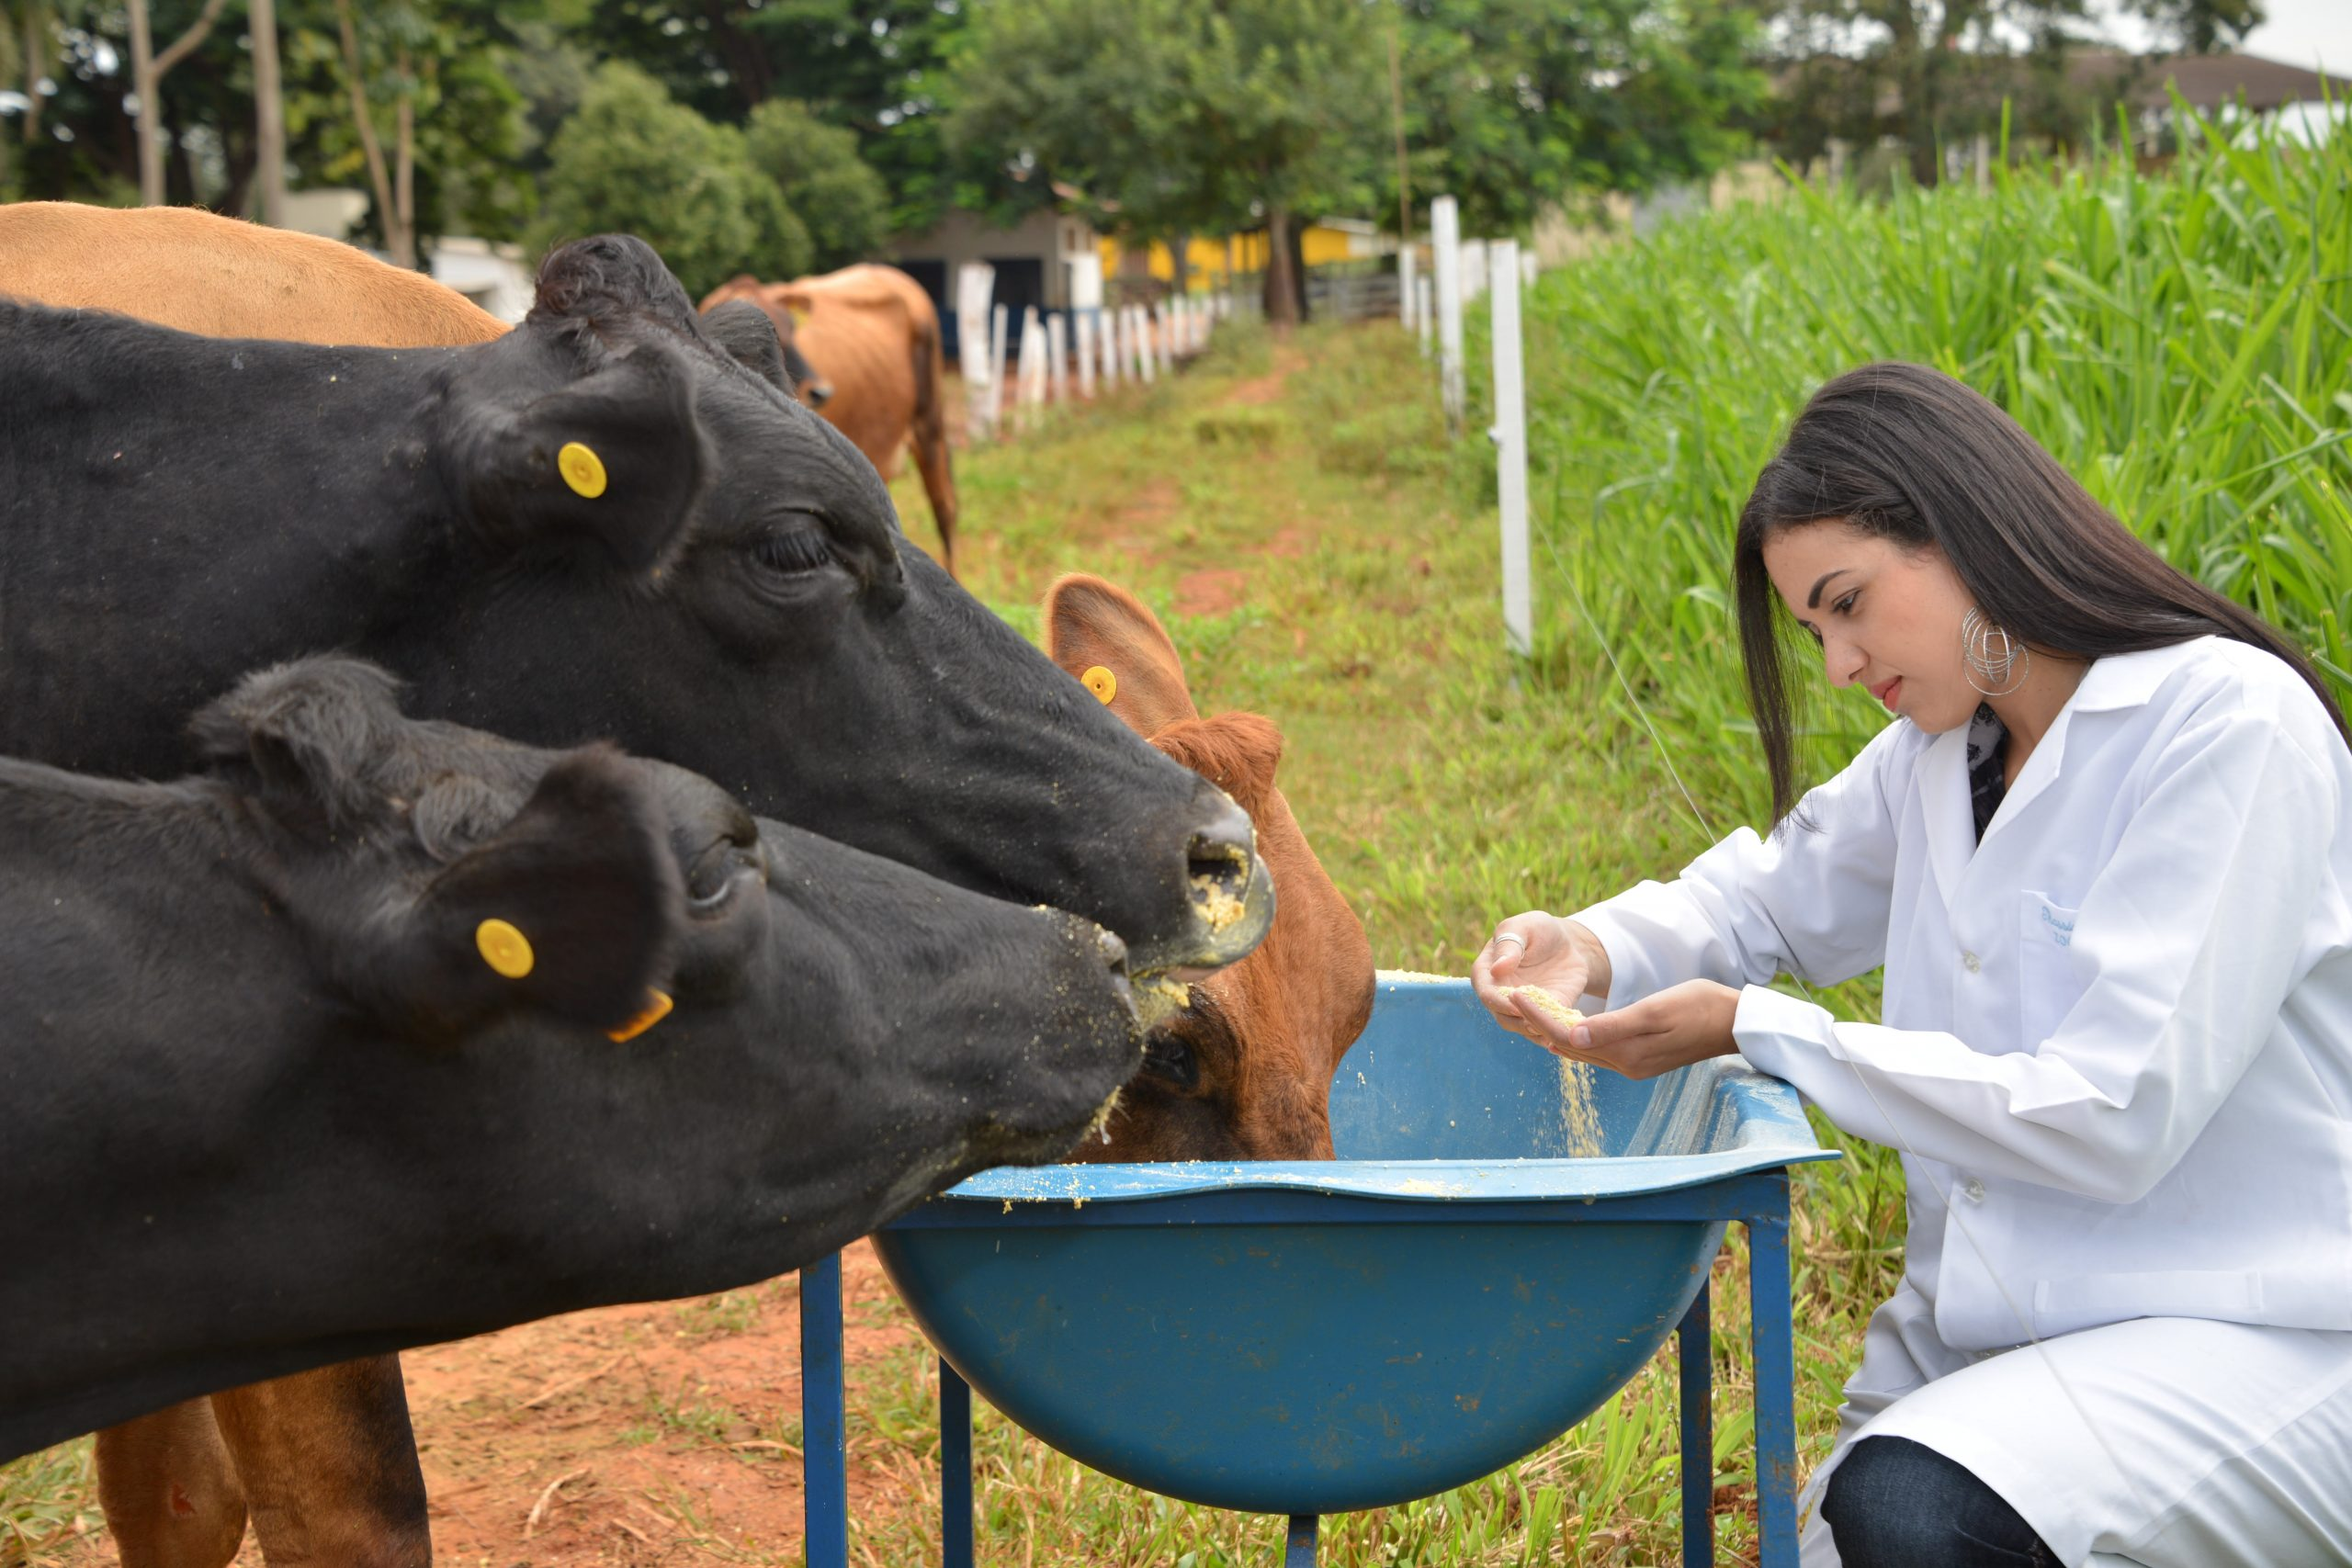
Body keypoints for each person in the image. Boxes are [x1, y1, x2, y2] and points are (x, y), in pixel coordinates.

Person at [1472, 362, 2352, 1568]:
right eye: (1813, 630)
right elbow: (1762, 896)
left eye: (1849, 603)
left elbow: (2114, 1111)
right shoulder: (1941, 758)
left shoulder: (2222, 724)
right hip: (2003, 1348)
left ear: (1966, 531)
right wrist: (1592, 944)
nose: (1838, 664)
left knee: (1912, 1508)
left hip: (2253, 1338)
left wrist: (1764, 1028)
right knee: (1851, 1526)